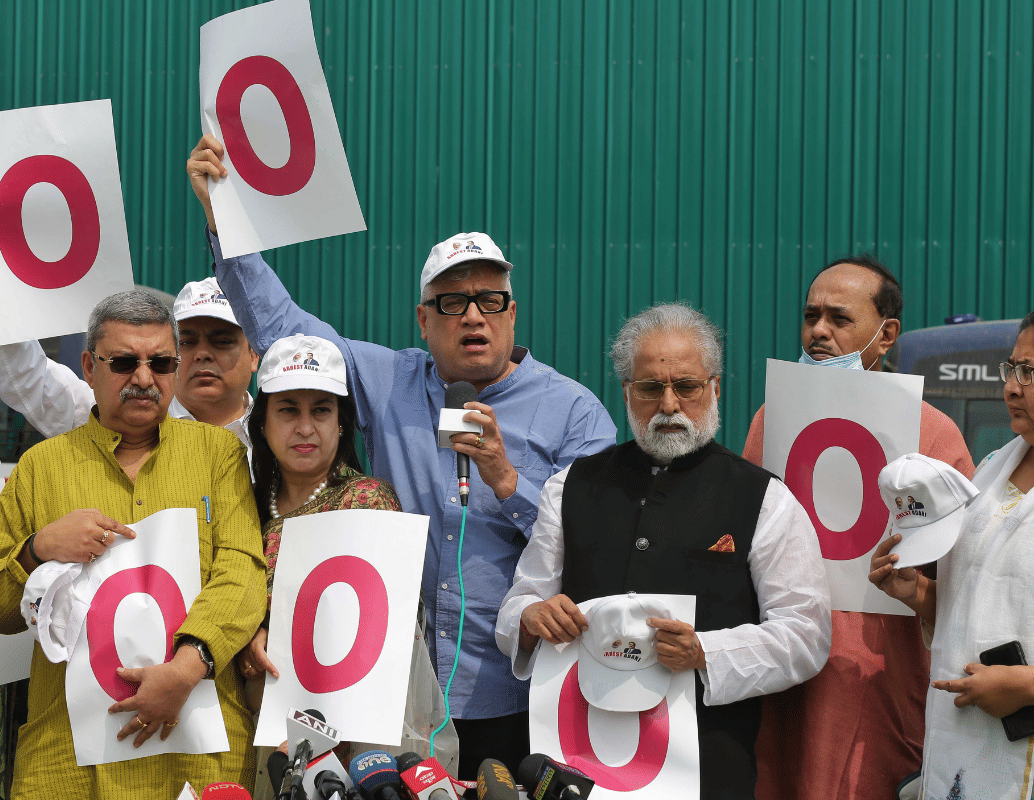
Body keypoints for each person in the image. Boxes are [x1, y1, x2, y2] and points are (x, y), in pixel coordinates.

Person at [187, 136, 617, 778]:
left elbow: (598, 548)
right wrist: (225, 216)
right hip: (393, 695)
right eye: (451, 302)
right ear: (423, 320)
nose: (473, 315)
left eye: (489, 300)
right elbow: (281, 328)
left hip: (521, 696)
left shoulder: (575, 413)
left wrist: (506, 479)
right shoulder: (389, 380)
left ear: (512, 313)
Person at [495, 302, 831, 799]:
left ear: (714, 388)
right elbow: (518, 605)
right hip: (580, 763)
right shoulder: (572, 486)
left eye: (686, 387)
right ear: (628, 393)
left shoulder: (764, 498)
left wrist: (706, 651)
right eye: (651, 388)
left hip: (706, 768)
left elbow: (807, 635)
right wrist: (531, 619)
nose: (669, 405)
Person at [0, 290, 266, 797]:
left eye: (162, 363)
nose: (144, 379)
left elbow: (242, 573)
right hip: (67, 763)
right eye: (124, 362)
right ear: (89, 366)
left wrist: (185, 668)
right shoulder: (41, 469)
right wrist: (37, 548)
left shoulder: (218, 454)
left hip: (197, 750)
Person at [742, 254, 974, 800]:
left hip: (877, 694)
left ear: (886, 334)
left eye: (839, 319)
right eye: (810, 315)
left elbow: (963, 587)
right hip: (781, 682)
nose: (818, 331)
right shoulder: (768, 420)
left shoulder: (934, 437)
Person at [231, 333, 407, 798]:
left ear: (342, 424)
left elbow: (366, 639)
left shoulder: (366, 502)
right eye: (288, 409)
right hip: (255, 730)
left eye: (321, 411)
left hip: (349, 743)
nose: (306, 427)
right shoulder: (242, 509)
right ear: (263, 423)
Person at [869, 310, 1034, 798]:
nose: (1011, 387)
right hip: (959, 749)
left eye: (1031, 372)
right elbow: (977, 602)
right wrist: (917, 591)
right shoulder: (988, 473)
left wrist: (1027, 687)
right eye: (1012, 369)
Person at [0, 198, 260, 444]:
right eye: (188, 341)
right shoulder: (117, 418)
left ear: (254, 354)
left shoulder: (284, 432)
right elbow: (26, 376)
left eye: (222, 340)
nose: (203, 354)